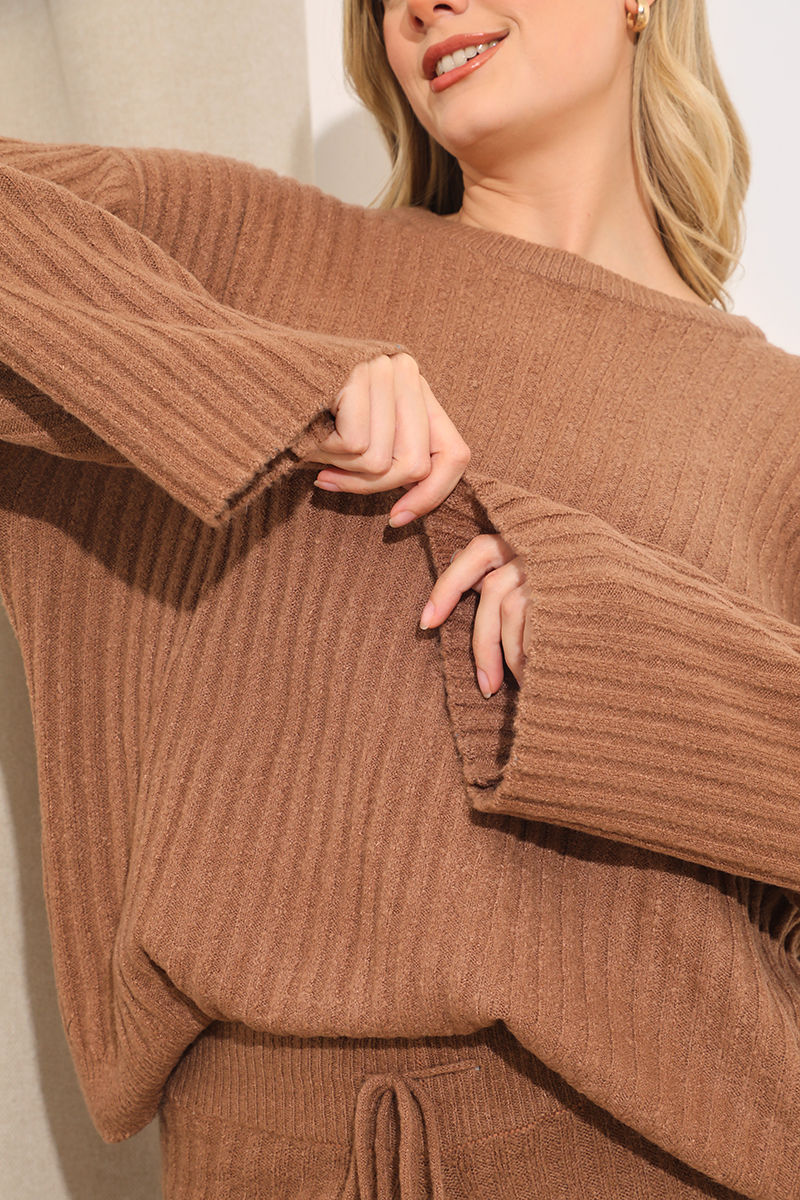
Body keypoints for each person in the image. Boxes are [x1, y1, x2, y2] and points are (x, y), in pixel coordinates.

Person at [0, 0, 798, 1197]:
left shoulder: (775, 427)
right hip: (258, 1152)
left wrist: (613, 647)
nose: (422, 4)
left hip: (643, 1150)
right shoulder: (253, 252)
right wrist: (278, 381)